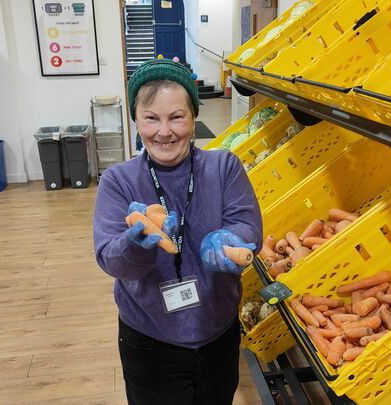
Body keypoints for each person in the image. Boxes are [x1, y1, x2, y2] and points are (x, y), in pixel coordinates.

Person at [93, 57, 263, 405]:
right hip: (151, 339)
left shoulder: (224, 167)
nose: (164, 131)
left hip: (219, 332)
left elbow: (247, 224)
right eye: (151, 118)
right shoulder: (118, 182)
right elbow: (111, 259)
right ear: (136, 120)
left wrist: (231, 239)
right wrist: (135, 243)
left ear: (194, 116)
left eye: (176, 117)